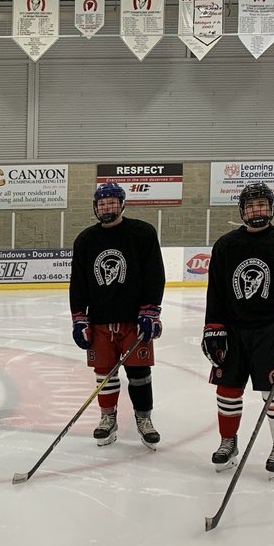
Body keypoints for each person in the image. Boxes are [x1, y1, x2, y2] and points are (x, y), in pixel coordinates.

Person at [202, 182, 274, 474]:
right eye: (251, 206)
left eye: (262, 204)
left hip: (271, 330)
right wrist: (213, 328)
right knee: (227, 390)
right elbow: (216, 291)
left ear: (272, 207)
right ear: (242, 211)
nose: (257, 210)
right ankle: (229, 442)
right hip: (234, 330)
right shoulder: (226, 245)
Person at [69, 182, 166, 448]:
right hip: (100, 319)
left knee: (139, 372)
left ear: (122, 204)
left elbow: (154, 274)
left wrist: (151, 312)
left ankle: (144, 418)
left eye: (112, 202)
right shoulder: (86, 239)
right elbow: (78, 282)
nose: (107, 207)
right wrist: (79, 318)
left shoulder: (142, 233)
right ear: (95, 207)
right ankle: (107, 417)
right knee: (104, 374)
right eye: (102, 203)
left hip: (133, 320)